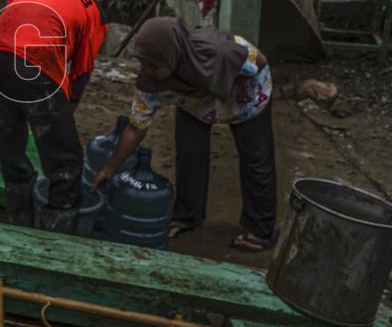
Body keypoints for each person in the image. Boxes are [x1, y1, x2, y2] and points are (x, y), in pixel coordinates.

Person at [94, 17, 277, 252]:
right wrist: (109, 168)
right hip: (194, 103)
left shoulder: (219, 54)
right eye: (143, 63)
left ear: (173, 55)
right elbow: (136, 128)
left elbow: (260, 61)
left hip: (246, 96)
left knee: (255, 158)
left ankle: (261, 230)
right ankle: (188, 215)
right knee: (190, 153)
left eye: (153, 65)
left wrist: (222, 83)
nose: (146, 71)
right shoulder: (151, 82)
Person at [0, 0, 108, 233]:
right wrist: (60, 120)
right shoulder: (91, 8)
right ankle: (55, 239)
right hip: (36, 61)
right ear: (100, 0)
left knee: (10, 142)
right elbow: (81, 73)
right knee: (66, 160)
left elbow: (16, 16)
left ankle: (19, 223)